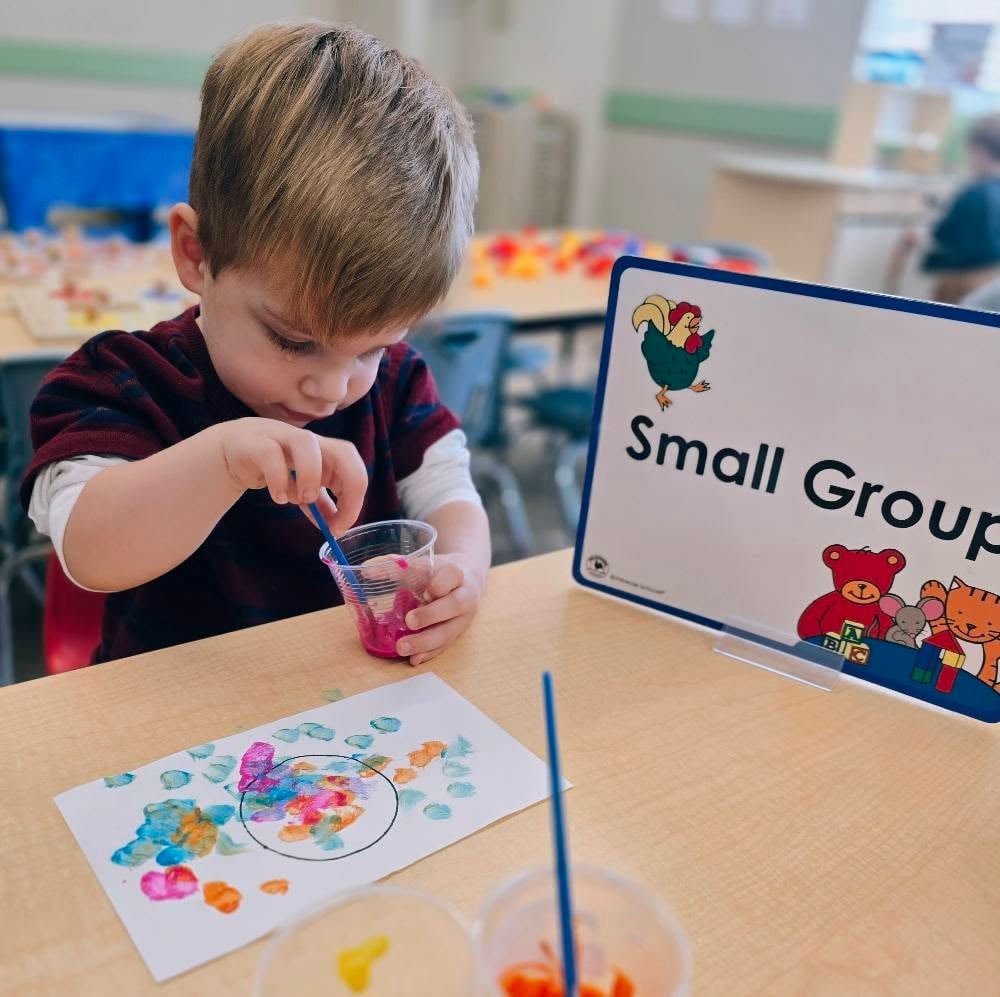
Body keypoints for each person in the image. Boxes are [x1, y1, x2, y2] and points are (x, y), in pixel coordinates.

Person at [21, 21, 489, 666]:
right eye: (294, 342)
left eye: (370, 348)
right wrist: (222, 459)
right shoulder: (122, 381)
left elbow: (451, 496)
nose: (333, 388)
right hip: (173, 726)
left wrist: (462, 572)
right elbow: (92, 555)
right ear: (196, 253)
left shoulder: (398, 382)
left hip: (346, 715)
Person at [890, 113, 1000, 303]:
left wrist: (921, 245)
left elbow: (957, 246)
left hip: (960, 283)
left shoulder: (975, 194)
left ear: (979, 151)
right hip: (990, 278)